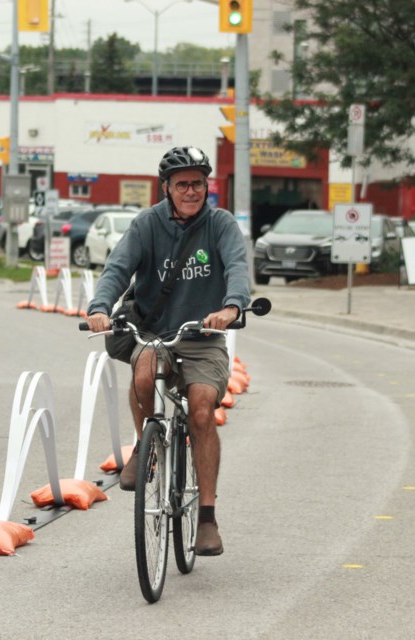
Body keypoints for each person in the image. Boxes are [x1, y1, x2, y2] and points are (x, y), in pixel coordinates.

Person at [85, 146, 250, 556]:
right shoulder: (146, 225)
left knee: (200, 408)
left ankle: (207, 517)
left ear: (206, 186)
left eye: (197, 183)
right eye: (182, 184)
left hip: (202, 338)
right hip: (155, 334)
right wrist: (99, 308)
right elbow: (117, 270)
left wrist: (231, 307)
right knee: (143, 374)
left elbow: (238, 268)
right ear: (167, 189)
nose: (191, 191)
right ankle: (144, 445)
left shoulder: (221, 225)